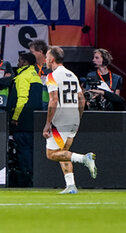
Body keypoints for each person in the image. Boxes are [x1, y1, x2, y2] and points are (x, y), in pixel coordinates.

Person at [43, 46, 97, 194]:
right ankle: (71, 185)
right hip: (73, 117)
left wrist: (47, 124)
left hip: (60, 118)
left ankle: (84, 158)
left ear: (52, 59)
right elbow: (82, 99)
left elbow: (53, 100)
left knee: (51, 154)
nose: (45, 60)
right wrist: (77, 118)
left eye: (47, 57)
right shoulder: (72, 75)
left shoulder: (52, 76)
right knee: (63, 151)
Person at [8, 53, 42, 187]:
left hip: (22, 121)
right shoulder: (36, 77)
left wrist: (15, 117)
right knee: (31, 149)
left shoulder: (23, 76)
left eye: (19, 60)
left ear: (24, 62)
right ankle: (33, 176)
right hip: (34, 120)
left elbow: (22, 98)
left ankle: (26, 178)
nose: (18, 62)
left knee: (23, 150)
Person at [28, 39, 51, 109]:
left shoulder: (51, 68)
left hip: (47, 107)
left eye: (32, 52)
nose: (30, 55)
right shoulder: (30, 68)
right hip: (33, 106)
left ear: (40, 52)